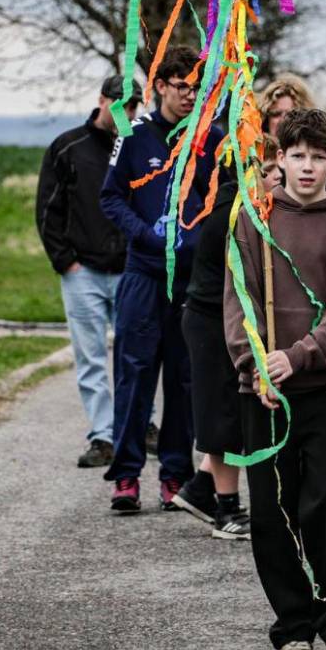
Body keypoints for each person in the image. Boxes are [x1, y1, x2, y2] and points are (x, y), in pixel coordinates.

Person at [225, 108, 326, 650]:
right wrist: (256, 363)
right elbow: (238, 301)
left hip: (322, 387)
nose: (307, 167)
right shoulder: (254, 220)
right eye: (297, 156)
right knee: (273, 509)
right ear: (279, 159)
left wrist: (299, 355)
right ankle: (293, 629)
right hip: (262, 391)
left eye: (318, 157)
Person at [100, 47, 218, 512]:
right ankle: (126, 475)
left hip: (190, 282)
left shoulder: (211, 139)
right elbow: (111, 199)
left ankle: (175, 475)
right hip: (144, 275)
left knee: (186, 380)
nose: (189, 95)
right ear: (162, 85)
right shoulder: (133, 135)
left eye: (197, 87)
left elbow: (221, 201)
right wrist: (147, 237)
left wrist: (196, 243)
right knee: (134, 373)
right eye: (182, 86)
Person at [174, 135, 283, 539]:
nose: (276, 178)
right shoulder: (235, 210)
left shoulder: (247, 205)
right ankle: (226, 508)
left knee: (230, 410)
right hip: (211, 319)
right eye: (269, 171)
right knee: (221, 413)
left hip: (227, 318)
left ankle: (200, 491)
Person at [36, 76, 139, 468]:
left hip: (131, 270)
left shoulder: (137, 148)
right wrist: (65, 260)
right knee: (91, 357)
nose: (125, 112)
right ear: (102, 100)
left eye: (132, 106)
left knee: (135, 354)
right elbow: (48, 208)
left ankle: (139, 425)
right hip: (83, 271)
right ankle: (102, 436)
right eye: (120, 103)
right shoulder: (68, 148)